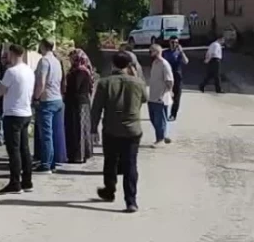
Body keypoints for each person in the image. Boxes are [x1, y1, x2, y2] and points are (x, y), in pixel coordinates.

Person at [91, 51, 147, 213]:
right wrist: (135, 76)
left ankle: (109, 190)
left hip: (111, 128)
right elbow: (144, 98)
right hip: (133, 129)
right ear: (129, 65)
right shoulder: (138, 82)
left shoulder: (105, 83)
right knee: (130, 165)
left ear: (113, 64)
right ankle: (131, 201)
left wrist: (93, 129)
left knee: (110, 161)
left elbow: (97, 108)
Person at [0, 44, 36, 194]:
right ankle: (27, 180)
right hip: (26, 111)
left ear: (12, 54)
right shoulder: (29, 70)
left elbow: (0, 91)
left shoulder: (11, 72)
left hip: (13, 113)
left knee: (13, 150)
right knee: (24, 148)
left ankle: (15, 182)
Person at [33, 39, 65, 173]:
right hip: (57, 98)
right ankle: (52, 161)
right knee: (54, 133)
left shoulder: (44, 61)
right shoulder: (56, 61)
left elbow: (41, 82)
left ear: (43, 46)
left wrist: (36, 97)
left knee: (46, 134)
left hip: (47, 100)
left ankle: (46, 164)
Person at [63, 48, 94, 164]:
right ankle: (79, 154)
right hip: (80, 103)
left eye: (71, 58)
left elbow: (75, 87)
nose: (70, 60)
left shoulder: (80, 72)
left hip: (78, 104)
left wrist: (65, 90)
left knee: (78, 129)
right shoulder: (79, 70)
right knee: (79, 129)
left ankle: (78, 155)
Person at [146, 44, 175, 145]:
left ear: (157, 52)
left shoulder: (164, 64)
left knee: (160, 119)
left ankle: (160, 138)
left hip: (161, 97)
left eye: (151, 51)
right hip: (152, 95)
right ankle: (163, 135)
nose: (150, 53)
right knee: (153, 118)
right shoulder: (154, 63)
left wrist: (169, 91)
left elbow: (170, 80)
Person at [162, 38, 189, 121]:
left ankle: (173, 114)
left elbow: (186, 61)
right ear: (169, 43)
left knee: (176, 97)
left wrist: (182, 52)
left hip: (177, 77)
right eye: (172, 42)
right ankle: (163, 112)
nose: (174, 44)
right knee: (165, 95)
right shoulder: (165, 52)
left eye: (176, 42)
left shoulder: (179, 53)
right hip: (167, 76)